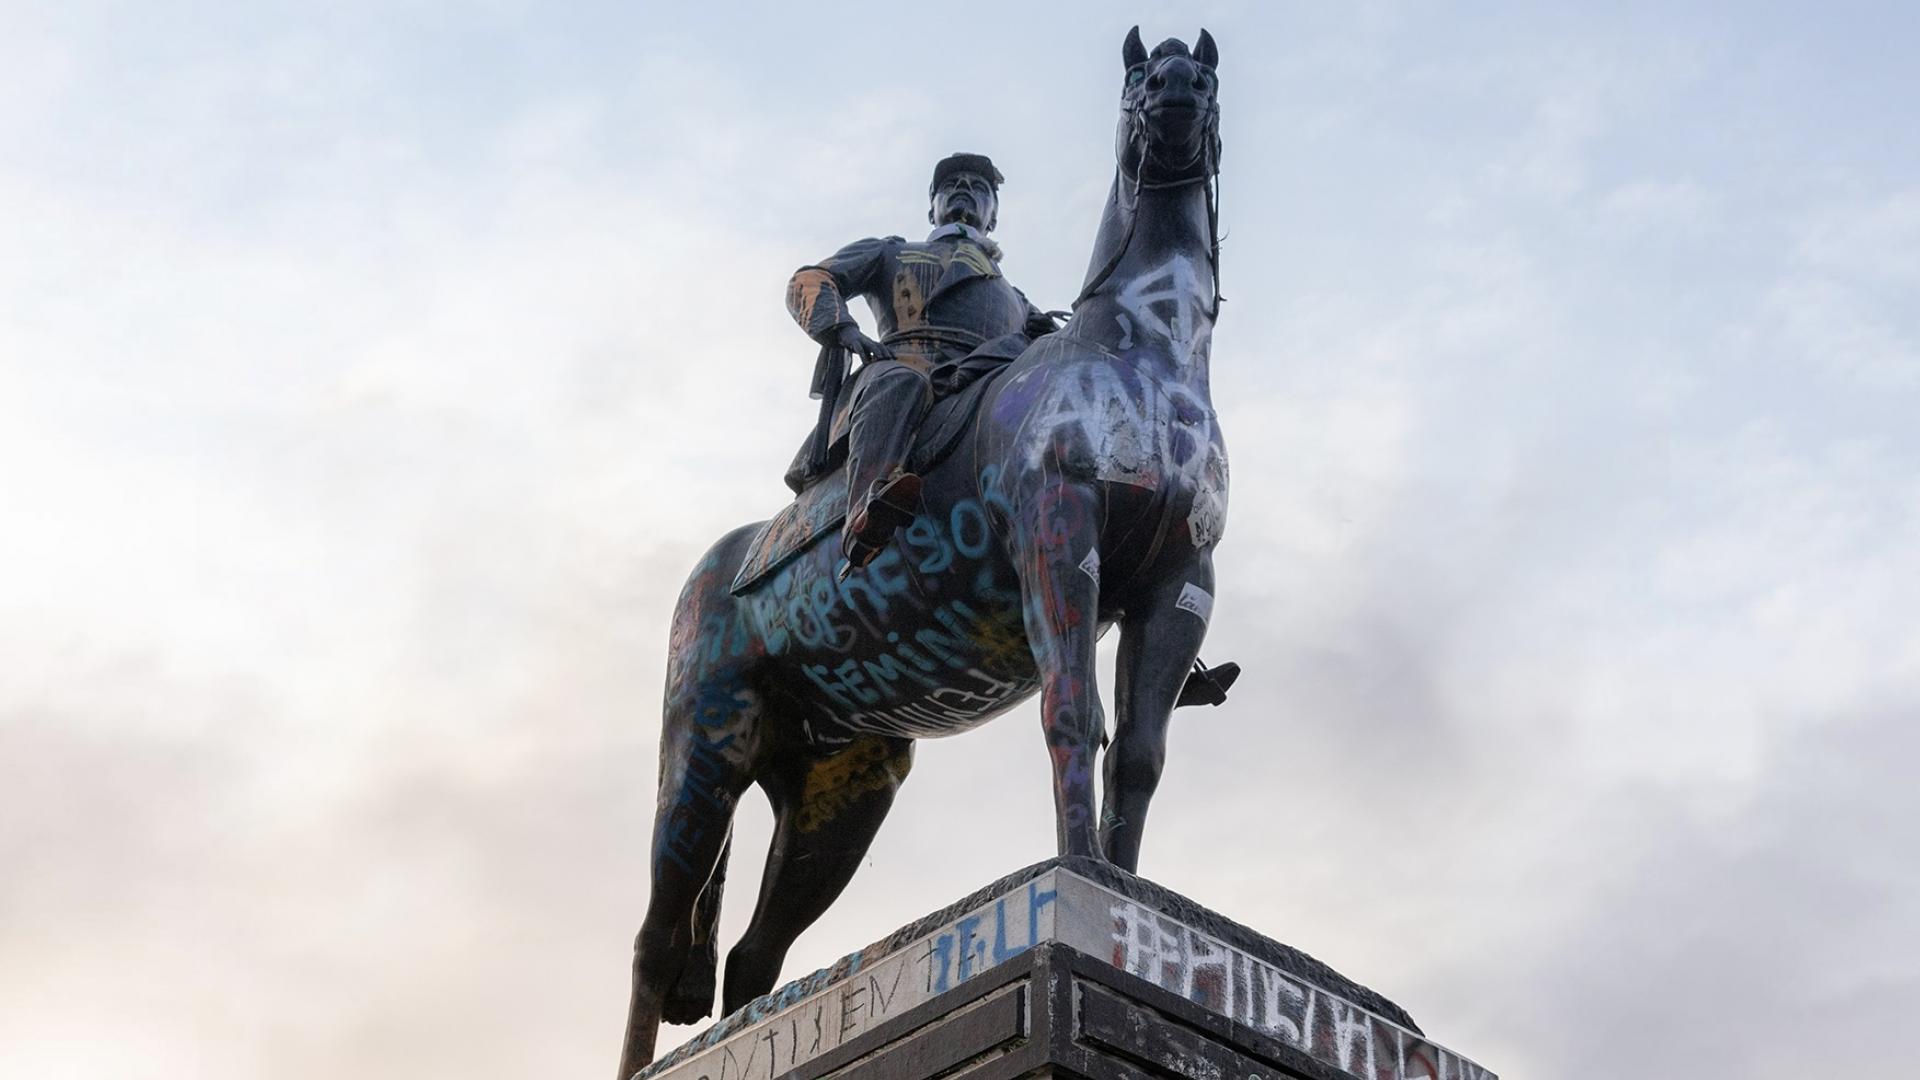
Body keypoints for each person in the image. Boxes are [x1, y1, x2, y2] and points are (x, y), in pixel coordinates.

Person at [786, 152, 1057, 570]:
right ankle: (864, 512)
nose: (964, 188)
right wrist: (842, 327)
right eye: (951, 185)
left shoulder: (1017, 299)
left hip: (982, 380)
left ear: (994, 217)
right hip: (901, 370)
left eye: (979, 187)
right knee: (899, 383)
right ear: (931, 207)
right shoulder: (890, 252)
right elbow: (812, 279)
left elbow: (1060, 349)